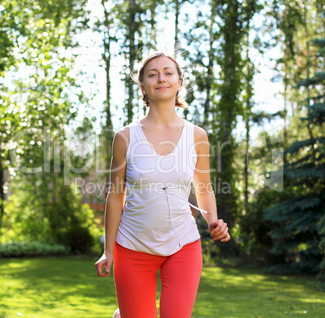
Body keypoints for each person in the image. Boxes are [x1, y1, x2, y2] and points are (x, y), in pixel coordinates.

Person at [95, 51, 230, 318]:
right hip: (132, 246)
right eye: (152, 74)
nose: (161, 78)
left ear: (179, 82)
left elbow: (203, 187)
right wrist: (108, 250)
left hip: (183, 245)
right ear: (143, 86)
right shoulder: (125, 137)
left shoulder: (197, 136)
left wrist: (213, 222)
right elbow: (115, 196)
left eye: (168, 72)